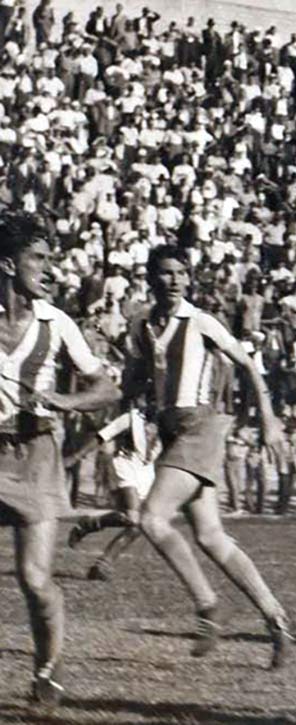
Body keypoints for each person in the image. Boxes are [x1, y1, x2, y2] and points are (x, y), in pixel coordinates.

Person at [125, 244, 296, 670]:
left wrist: (270, 420)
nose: (175, 280)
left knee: (152, 518)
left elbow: (249, 366)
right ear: (151, 277)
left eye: (181, 272)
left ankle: (207, 606)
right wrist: (112, 420)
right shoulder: (142, 324)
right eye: (166, 272)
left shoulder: (200, 321)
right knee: (210, 536)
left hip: (199, 428)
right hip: (172, 431)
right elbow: (135, 381)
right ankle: (276, 617)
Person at [0, 212, 120, 705]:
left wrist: (65, 402)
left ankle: (46, 671)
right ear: (8, 264)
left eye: (51, 259)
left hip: (37, 454)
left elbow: (107, 387)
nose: (50, 270)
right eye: (39, 259)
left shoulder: (56, 323)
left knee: (34, 579)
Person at [65, 409, 158, 581]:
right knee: (134, 517)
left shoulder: (168, 419)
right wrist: (77, 456)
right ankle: (102, 559)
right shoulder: (131, 417)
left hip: (147, 472)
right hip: (126, 466)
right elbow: (102, 436)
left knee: (139, 523)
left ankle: (99, 558)